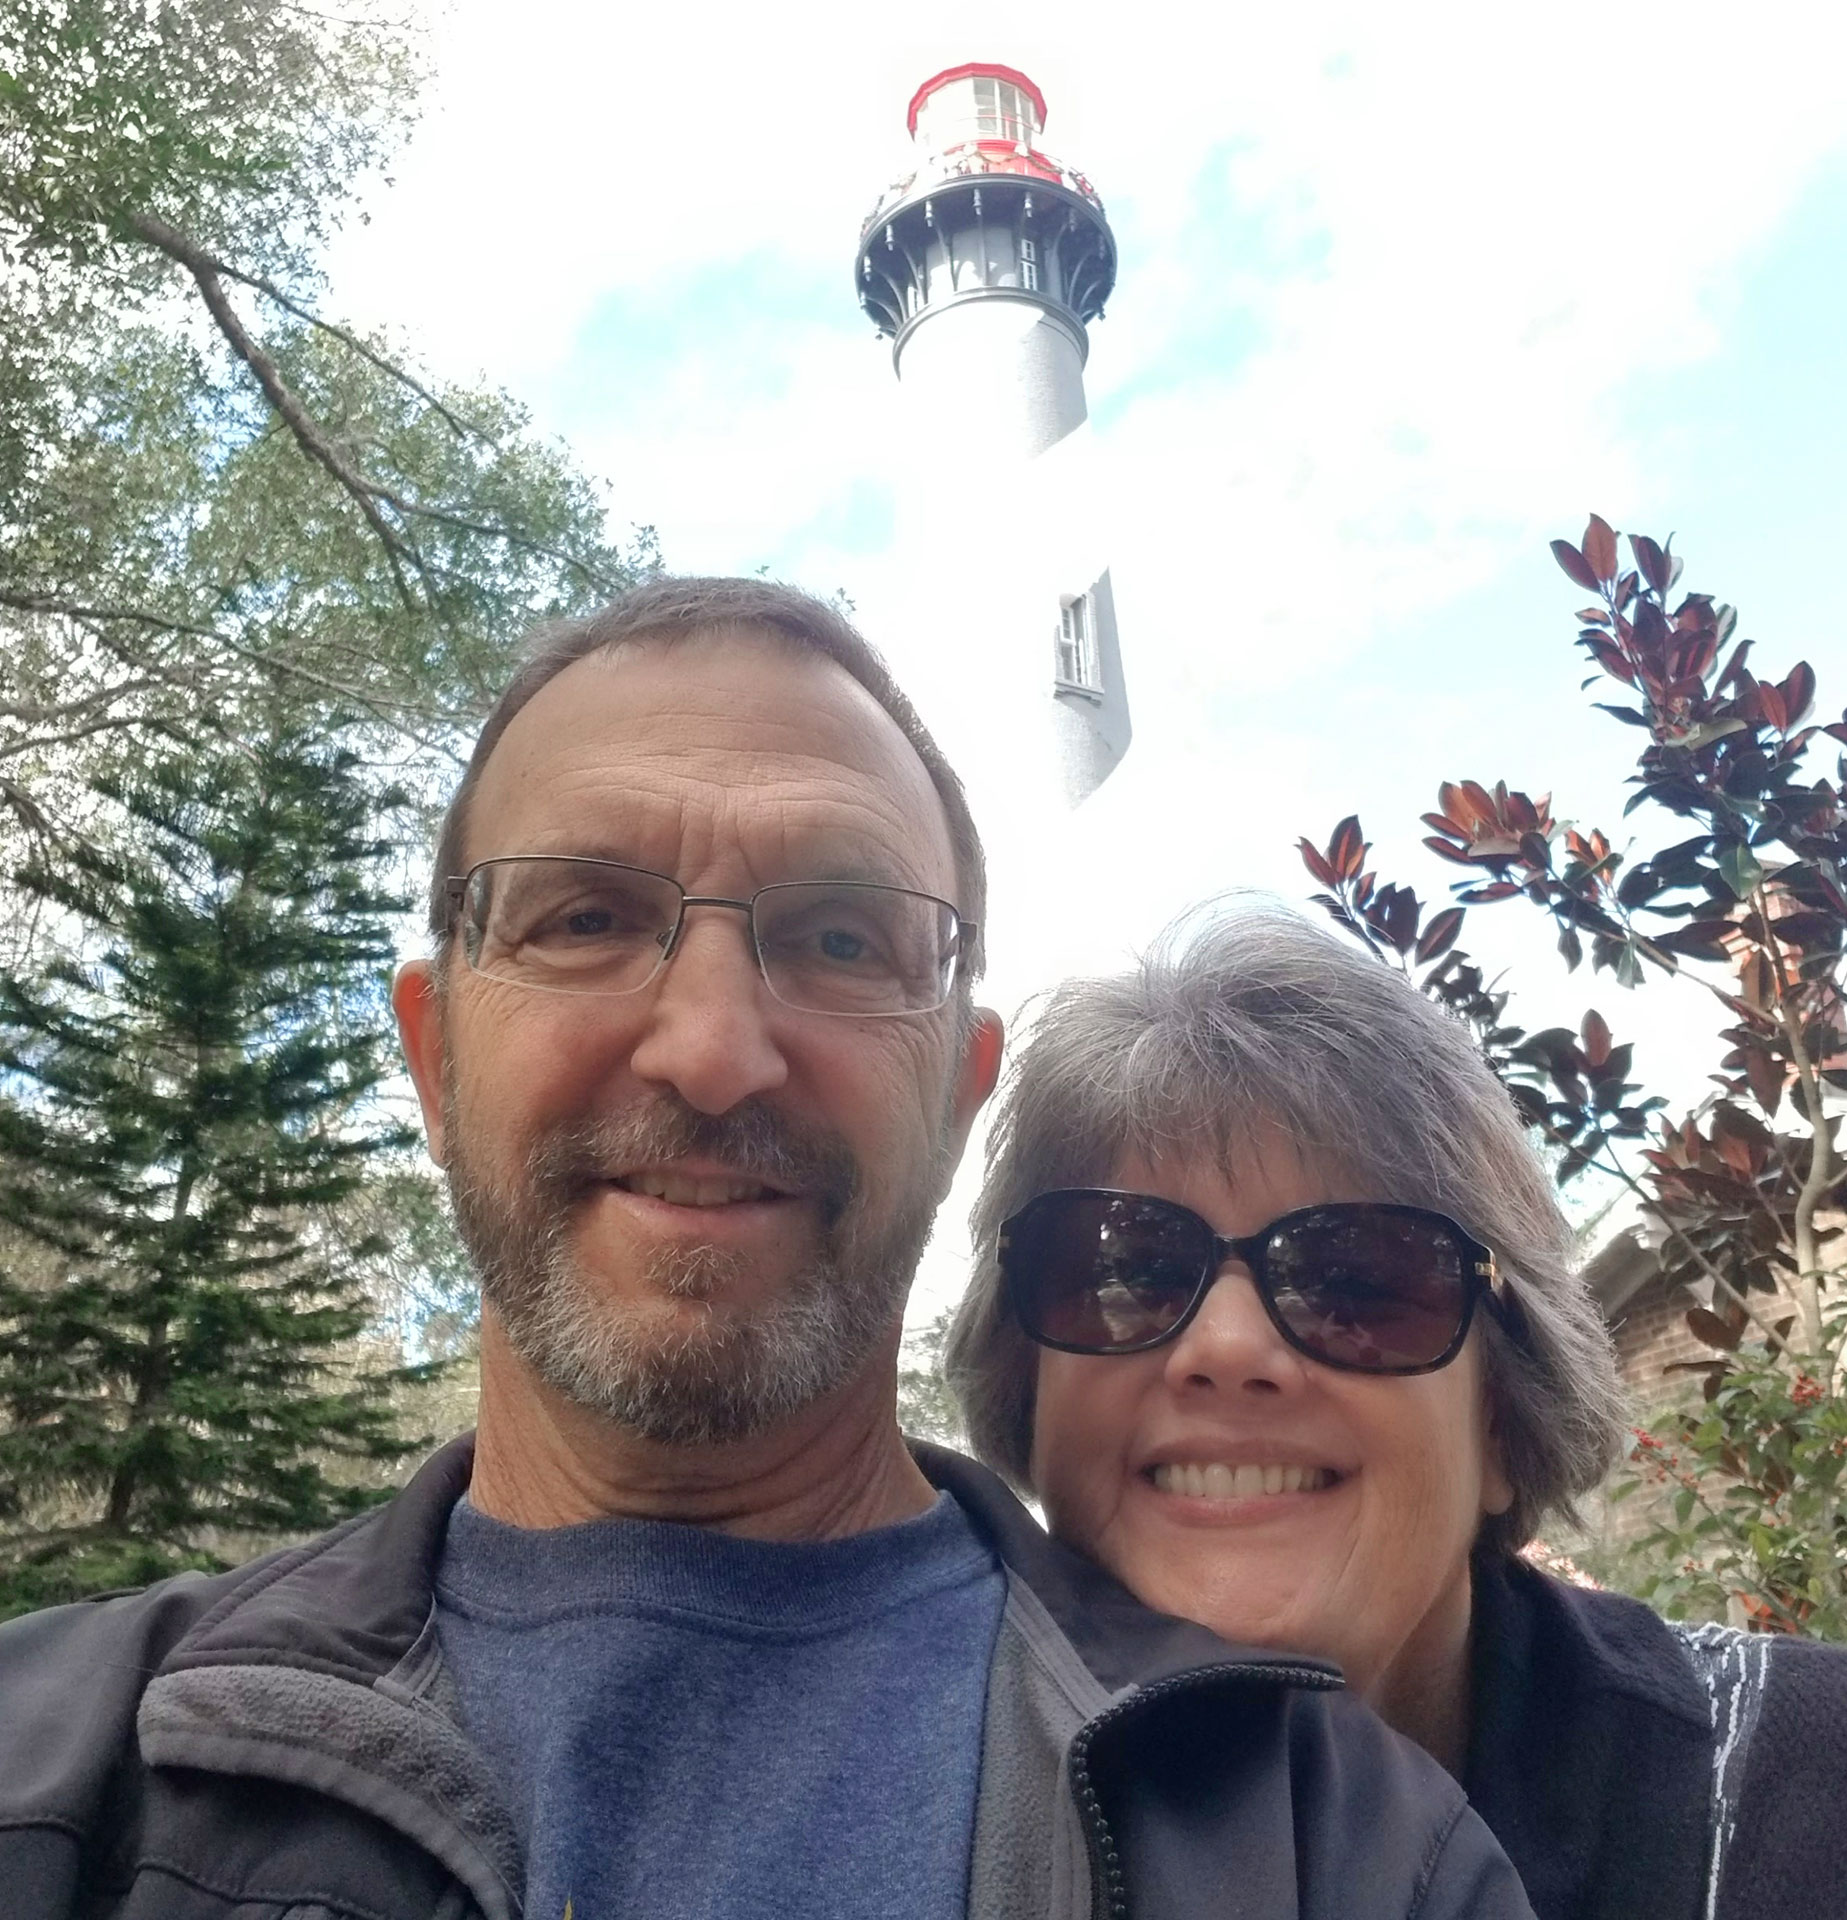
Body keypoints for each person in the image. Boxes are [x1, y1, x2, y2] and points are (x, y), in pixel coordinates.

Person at [0, 581, 1538, 1920]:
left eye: (843, 939)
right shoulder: (53, 1777)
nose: (715, 1050)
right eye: (587, 916)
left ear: (961, 1085)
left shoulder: (1335, 1847)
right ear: (433, 1051)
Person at [948, 899, 1847, 1920]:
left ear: (1503, 1418)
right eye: (1131, 1269)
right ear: (1030, 1384)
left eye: (1359, 1280)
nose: (1227, 1350)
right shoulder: (897, 1802)